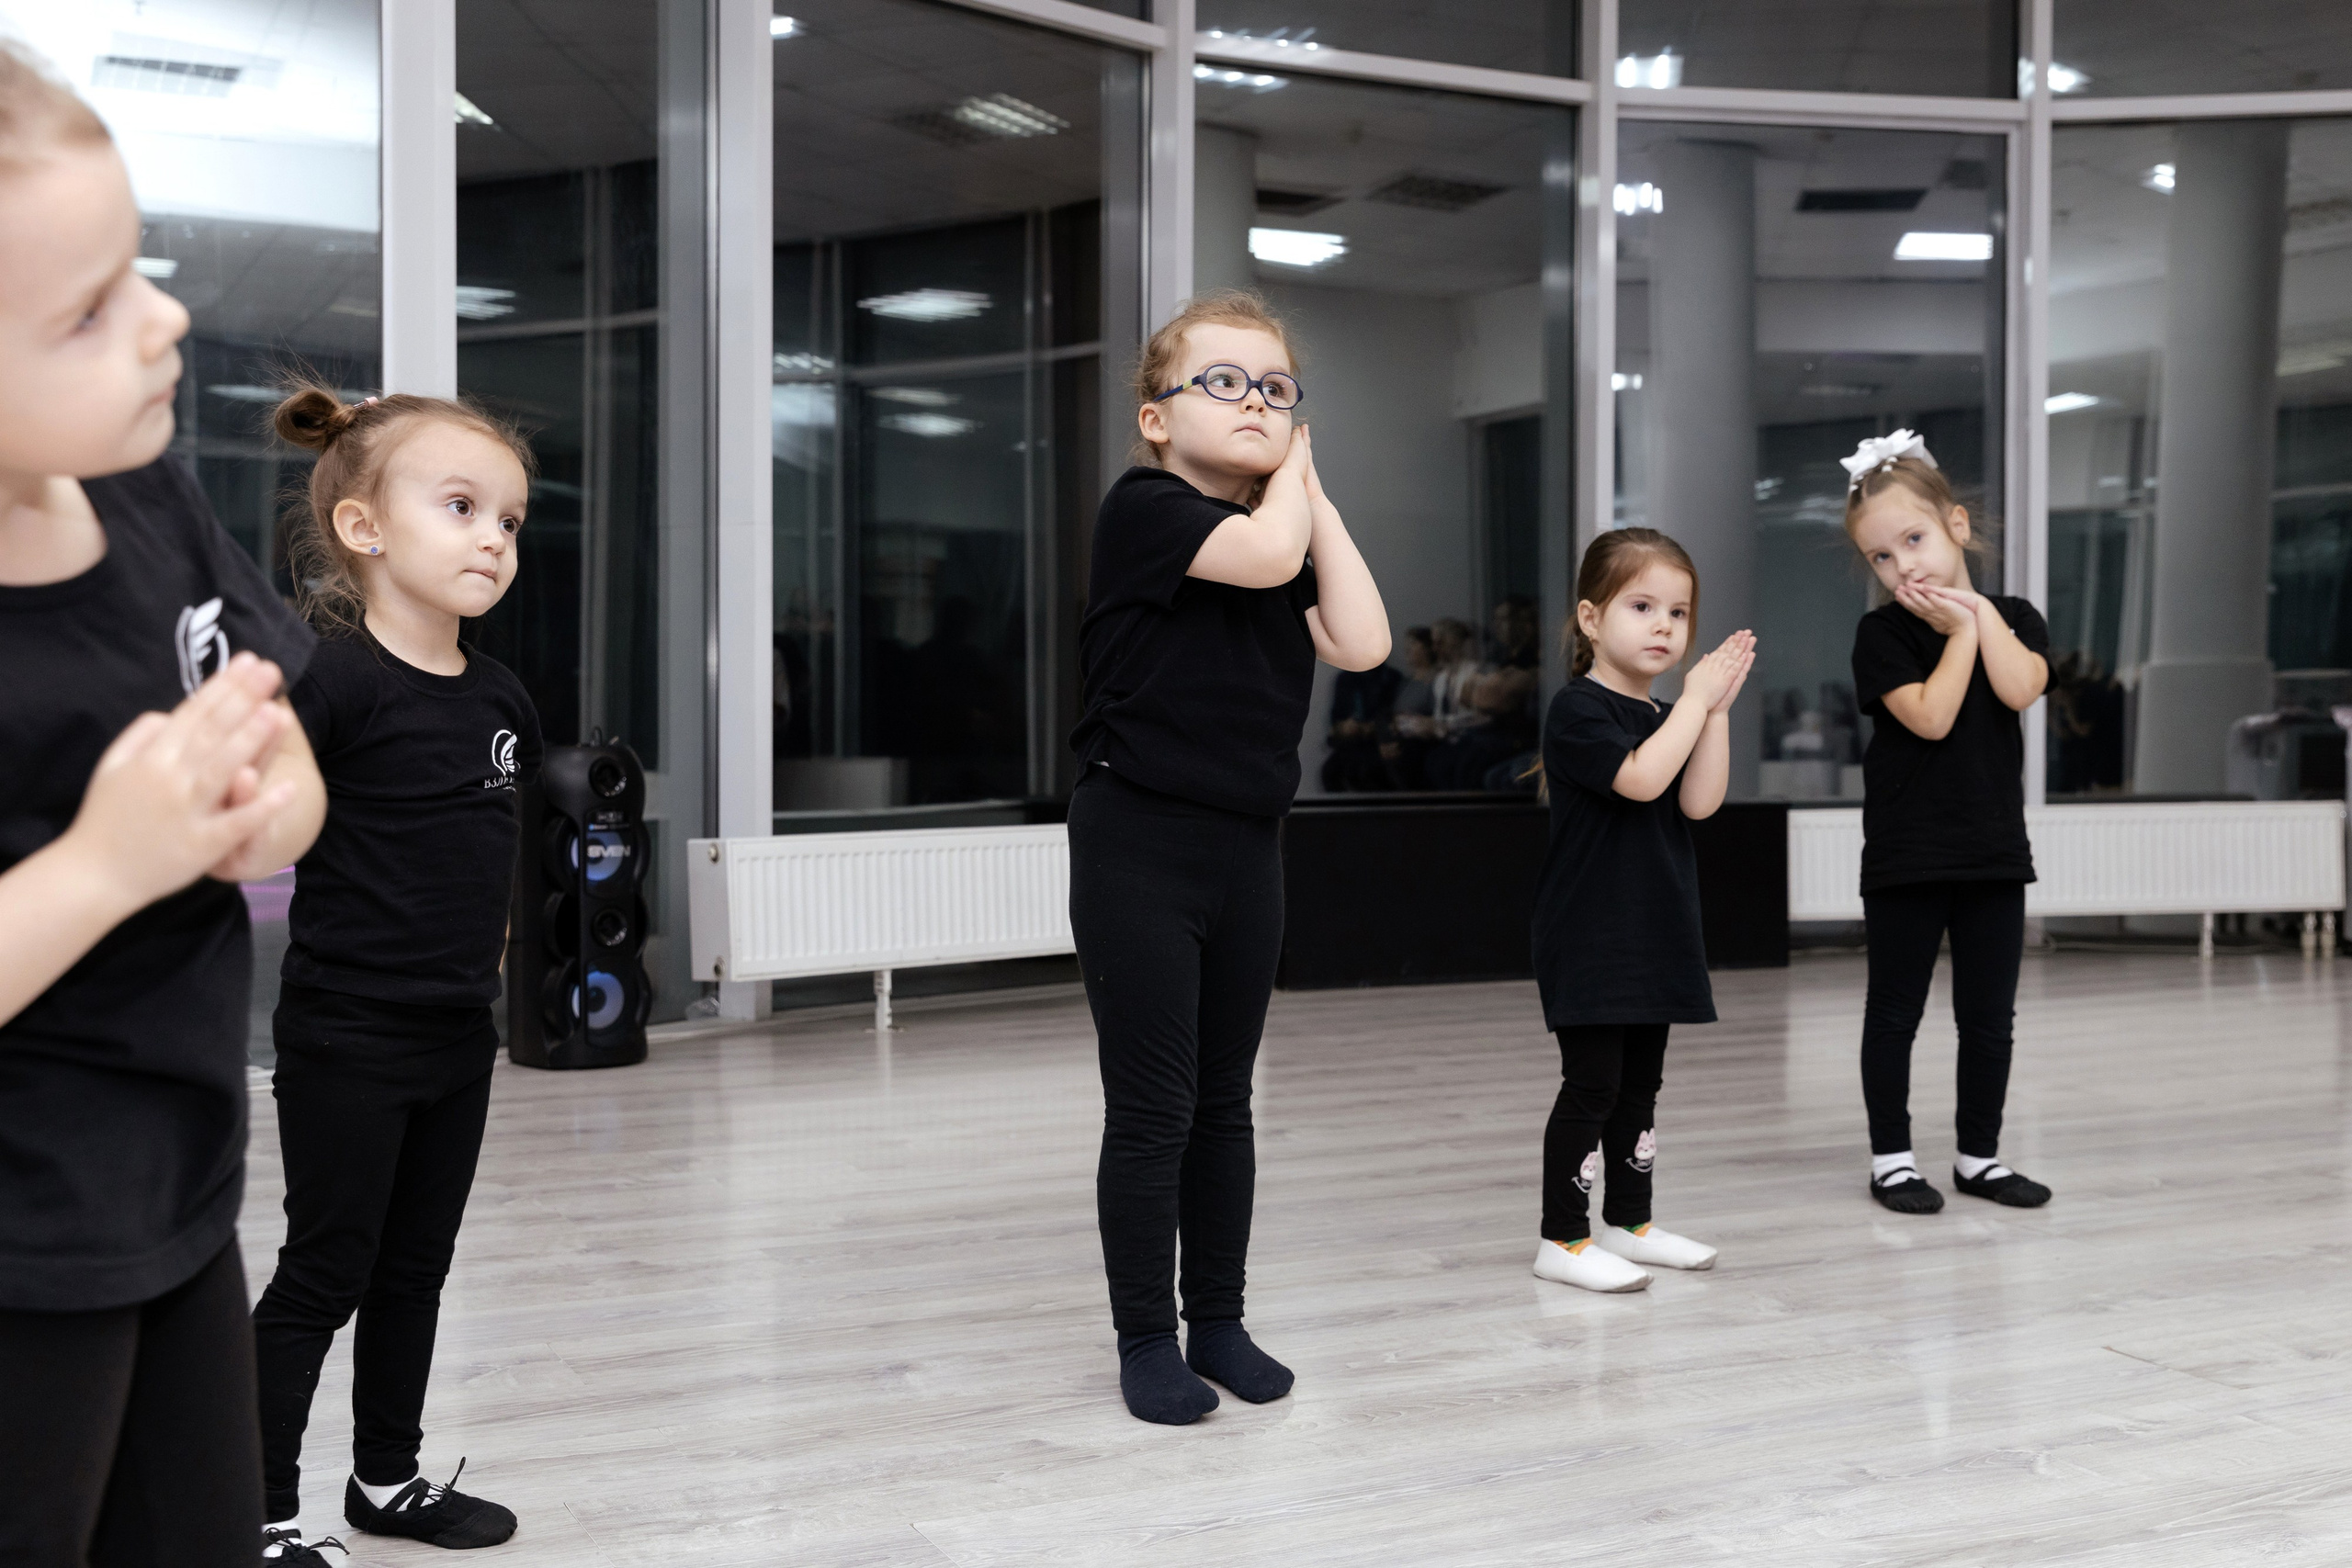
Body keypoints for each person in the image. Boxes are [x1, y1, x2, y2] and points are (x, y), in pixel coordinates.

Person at [0, 42, 327, 1568]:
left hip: (179, 1184)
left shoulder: (145, 491)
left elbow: (278, 724)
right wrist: (106, 865)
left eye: (140, 270)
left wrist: (273, 805)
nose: (166, 320)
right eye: (87, 309)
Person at [1068, 289, 1390, 1424]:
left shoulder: (1281, 524)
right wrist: (1288, 481)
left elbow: (1362, 640)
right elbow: (1260, 559)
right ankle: (1146, 1337)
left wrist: (1305, 480)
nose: (1255, 402)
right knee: (1152, 1105)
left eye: (1277, 387)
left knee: (1225, 1103)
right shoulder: (1146, 508)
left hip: (1246, 845)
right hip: (1139, 838)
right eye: (1223, 382)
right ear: (1155, 417)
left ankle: (1219, 1319)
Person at [249, 384, 541, 1561]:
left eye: (512, 522)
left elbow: (490, 864)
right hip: (346, 1040)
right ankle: (259, 1512)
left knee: (417, 1270)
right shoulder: (334, 682)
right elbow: (260, 830)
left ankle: (389, 1480)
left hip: (453, 1040)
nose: (494, 538)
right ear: (365, 530)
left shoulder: (503, 695)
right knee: (326, 1273)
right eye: (464, 506)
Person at [1529, 528, 1752, 1293]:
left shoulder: (1672, 716)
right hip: (1591, 934)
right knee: (1591, 1083)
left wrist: (1714, 712)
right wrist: (1693, 701)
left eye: (1679, 612)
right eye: (1643, 606)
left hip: (1654, 928)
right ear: (1591, 619)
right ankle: (1562, 1235)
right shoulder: (1577, 710)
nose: (1665, 625)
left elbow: (1698, 799)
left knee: (1640, 1086)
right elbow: (1642, 782)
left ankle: (1630, 1221)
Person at [1843, 431, 2052, 1214]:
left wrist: (1976, 622)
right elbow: (1930, 718)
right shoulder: (1882, 635)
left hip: (1994, 850)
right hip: (1907, 854)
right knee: (1895, 1011)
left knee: (1988, 1017)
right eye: (1882, 558)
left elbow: (2020, 686)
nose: (1904, 567)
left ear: (1957, 527)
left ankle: (1979, 1156)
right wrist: (1959, 633)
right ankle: (1892, 1159)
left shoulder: (2016, 618)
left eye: (1914, 539)